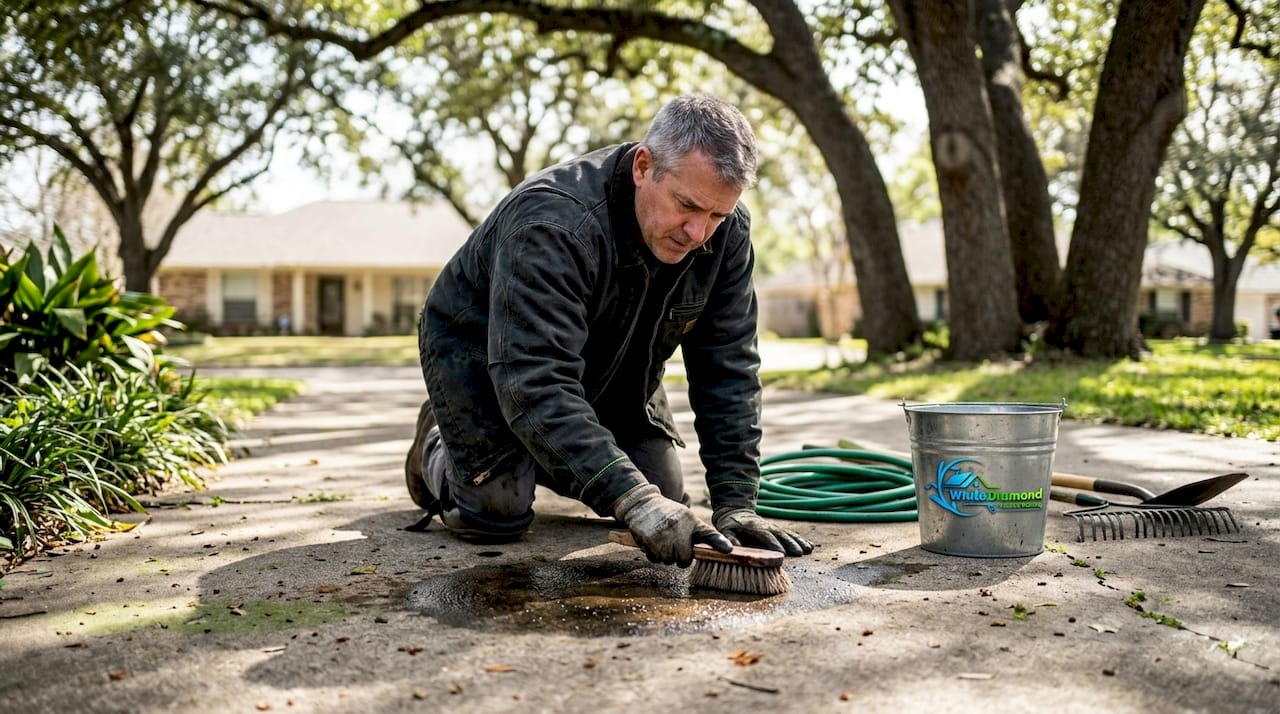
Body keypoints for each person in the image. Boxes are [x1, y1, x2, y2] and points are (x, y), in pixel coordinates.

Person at [405, 94, 813, 568]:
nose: (698, 232)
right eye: (687, 205)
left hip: (609, 370)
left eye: (717, 215)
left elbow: (730, 367)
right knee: (497, 512)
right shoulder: (550, 223)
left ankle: (540, 451)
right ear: (643, 166)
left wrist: (736, 499)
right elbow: (533, 380)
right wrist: (630, 498)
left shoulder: (726, 235)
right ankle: (439, 441)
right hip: (490, 368)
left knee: (666, 495)